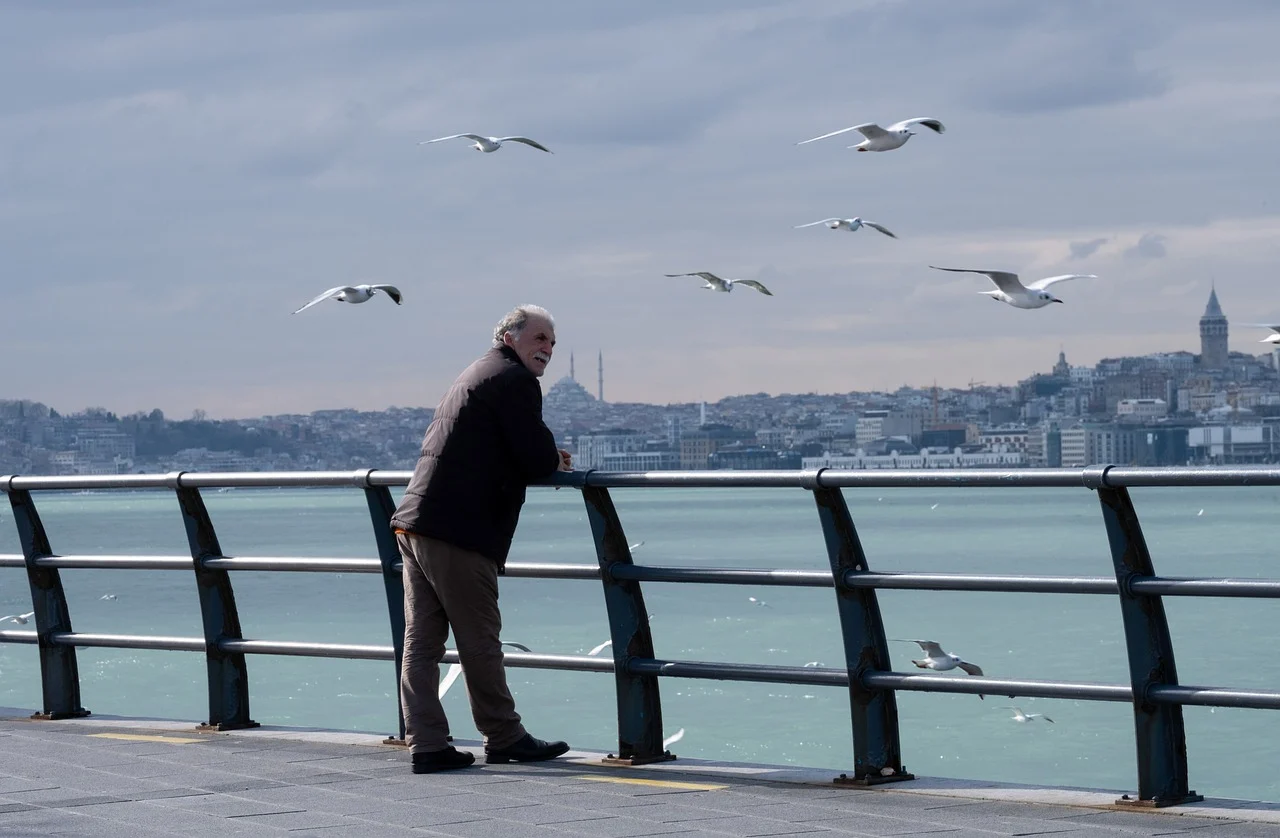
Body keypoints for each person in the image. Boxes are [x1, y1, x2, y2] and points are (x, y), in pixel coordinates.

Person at [390, 304, 574, 774]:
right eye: (539, 338)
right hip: (458, 527)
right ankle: (504, 735)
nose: (548, 349)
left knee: (421, 642)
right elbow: (534, 458)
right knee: (479, 638)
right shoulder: (514, 381)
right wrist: (554, 457)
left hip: (416, 519)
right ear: (510, 337)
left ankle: (427, 743)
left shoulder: (476, 372)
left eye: (552, 342)